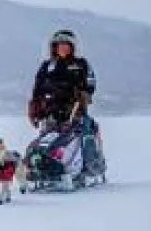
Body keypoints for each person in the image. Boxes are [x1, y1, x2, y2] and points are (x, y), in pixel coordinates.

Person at [27, 29, 104, 181]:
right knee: (48, 143)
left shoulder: (81, 64)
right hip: (50, 113)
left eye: (66, 45)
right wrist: (34, 107)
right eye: (59, 45)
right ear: (53, 47)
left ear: (72, 47)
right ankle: (46, 168)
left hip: (74, 111)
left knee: (79, 139)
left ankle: (87, 169)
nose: (62, 48)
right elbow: (37, 89)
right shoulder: (47, 66)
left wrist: (84, 95)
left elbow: (90, 84)